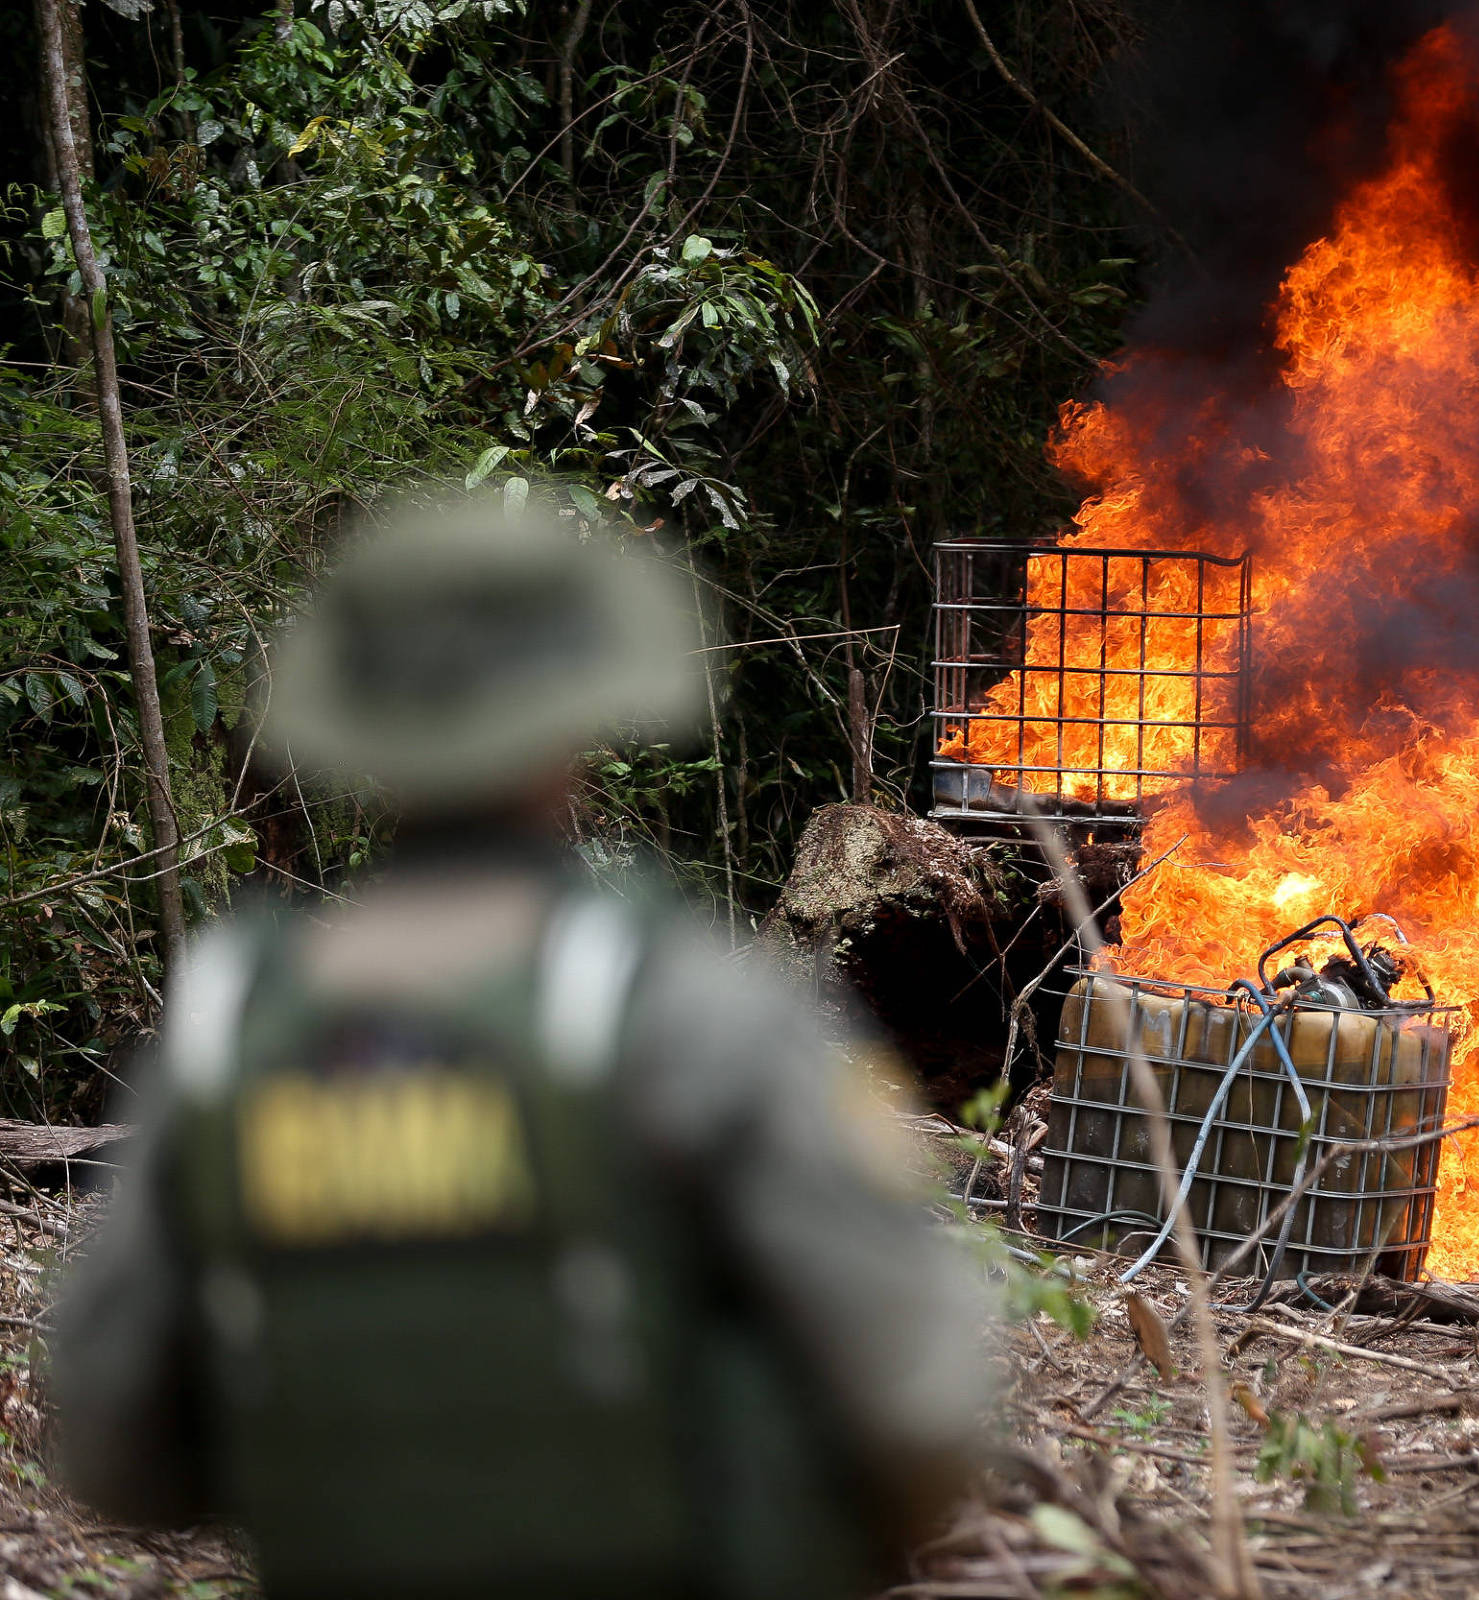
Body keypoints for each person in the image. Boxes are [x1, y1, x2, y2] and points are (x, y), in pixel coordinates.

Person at [46, 495, 990, 1599]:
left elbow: (111, 1448)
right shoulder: (690, 1008)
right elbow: (922, 1412)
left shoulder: (230, 1024)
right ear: (574, 725)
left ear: (365, 730)